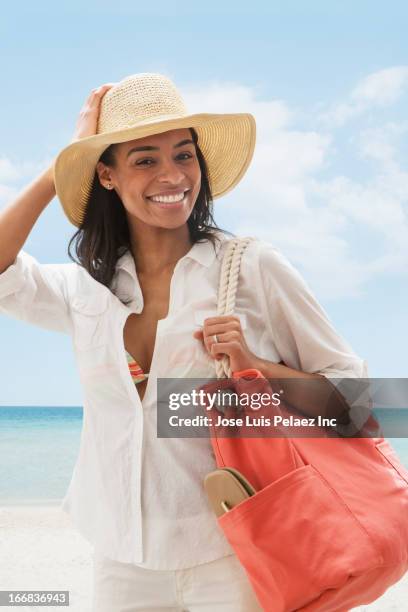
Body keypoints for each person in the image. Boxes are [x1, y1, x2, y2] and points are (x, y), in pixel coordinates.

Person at [0, 73, 367, 611]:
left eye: (184, 155)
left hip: (233, 551)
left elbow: (353, 404)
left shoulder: (252, 268)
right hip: (121, 557)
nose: (172, 175)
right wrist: (64, 160)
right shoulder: (87, 290)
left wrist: (253, 365)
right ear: (106, 174)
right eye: (145, 159)